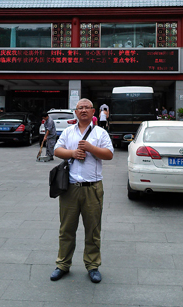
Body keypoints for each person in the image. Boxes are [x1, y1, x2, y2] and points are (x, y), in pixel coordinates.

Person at [50, 98, 114, 284]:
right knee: (66, 229)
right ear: (76, 112)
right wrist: (72, 153)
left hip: (92, 188)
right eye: (80, 108)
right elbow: (56, 150)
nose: (84, 110)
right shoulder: (68, 132)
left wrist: (91, 148)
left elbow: (109, 154)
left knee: (93, 229)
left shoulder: (101, 133)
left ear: (94, 112)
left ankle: (92, 265)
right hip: (70, 188)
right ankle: (63, 264)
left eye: (87, 108)